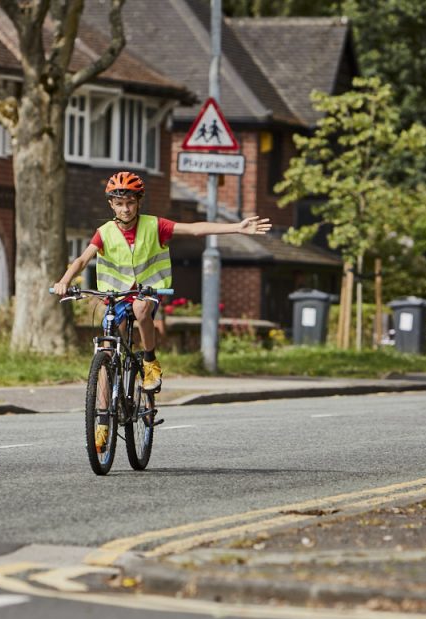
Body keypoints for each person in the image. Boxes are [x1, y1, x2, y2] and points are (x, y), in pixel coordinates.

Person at [53, 170, 272, 451]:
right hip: (116, 296)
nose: (125, 208)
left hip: (148, 291)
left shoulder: (155, 226)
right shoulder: (104, 232)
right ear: (111, 205)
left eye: (130, 202)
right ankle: (103, 423)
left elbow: (194, 229)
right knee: (108, 352)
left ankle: (149, 360)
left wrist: (237, 228)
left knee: (142, 309)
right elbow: (83, 259)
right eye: (119, 203)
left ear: (139, 202)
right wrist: (64, 281)